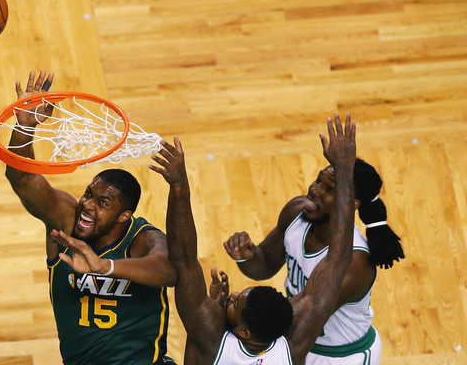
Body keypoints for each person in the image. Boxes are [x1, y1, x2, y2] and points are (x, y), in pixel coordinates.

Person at [149, 113, 358, 365]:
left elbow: (183, 259)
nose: (232, 294)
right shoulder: (291, 349)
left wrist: (179, 186)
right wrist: (344, 169)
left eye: (235, 302)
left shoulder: (209, 339)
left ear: (244, 332)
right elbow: (337, 259)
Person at [5, 70, 177, 365]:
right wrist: (24, 128)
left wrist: (104, 266)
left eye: (102, 202)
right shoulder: (66, 222)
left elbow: (169, 271)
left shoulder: (142, 239)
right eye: (88, 194)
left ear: (124, 215)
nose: (87, 205)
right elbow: (21, 179)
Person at [223, 126, 404, 364]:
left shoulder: (356, 263)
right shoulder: (296, 211)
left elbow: (307, 308)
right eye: (318, 179)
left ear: (350, 204)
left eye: (329, 189)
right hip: (297, 339)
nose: (314, 190)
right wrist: (247, 256)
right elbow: (265, 263)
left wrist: (243, 314)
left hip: (342, 356)